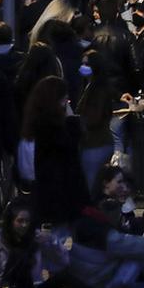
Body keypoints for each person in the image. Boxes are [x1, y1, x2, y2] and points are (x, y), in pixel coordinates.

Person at [16, 76, 90, 228]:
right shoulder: (57, 131)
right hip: (62, 195)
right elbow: (71, 154)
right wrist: (71, 119)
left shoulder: (32, 125)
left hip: (42, 194)